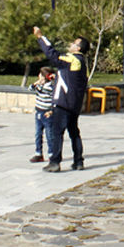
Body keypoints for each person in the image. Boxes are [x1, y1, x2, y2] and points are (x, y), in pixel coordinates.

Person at [32, 26, 88, 173]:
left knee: (57, 133)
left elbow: (53, 55)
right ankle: (78, 161)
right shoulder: (82, 62)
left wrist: (40, 37)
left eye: (74, 43)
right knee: (74, 132)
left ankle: (55, 162)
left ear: (78, 48)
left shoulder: (72, 59)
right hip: (74, 104)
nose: (71, 44)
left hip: (63, 103)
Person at [29, 67, 56, 164]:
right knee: (38, 134)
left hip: (47, 114)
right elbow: (30, 88)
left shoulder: (50, 87)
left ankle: (52, 154)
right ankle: (38, 153)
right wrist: (38, 82)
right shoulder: (40, 85)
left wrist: (51, 111)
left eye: (40, 75)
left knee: (50, 135)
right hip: (38, 112)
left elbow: (55, 100)